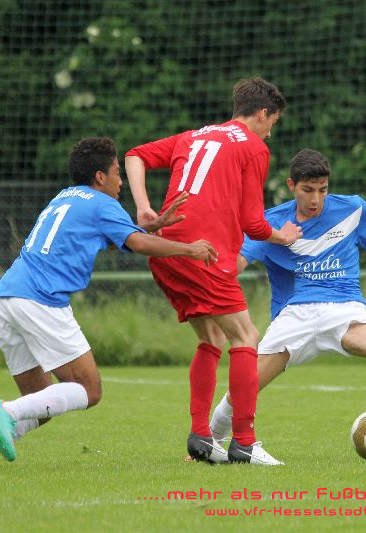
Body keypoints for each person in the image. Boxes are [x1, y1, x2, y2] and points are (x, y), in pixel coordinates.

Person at [0, 137, 218, 473]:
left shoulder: (65, 197)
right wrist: (190, 249)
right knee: (88, 390)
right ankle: (6, 410)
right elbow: (137, 244)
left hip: (5, 300)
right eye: (118, 172)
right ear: (100, 177)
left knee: (40, 402)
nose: (121, 181)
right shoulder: (102, 204)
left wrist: (154, 224)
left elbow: (115, 236)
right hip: (40, 301)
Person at [208, 149, 366, 447]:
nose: (316, 199)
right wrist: (208, 252)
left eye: (322, 190)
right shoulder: (271, 223)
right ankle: (210, 439)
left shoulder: (352, 209)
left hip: (345, 309)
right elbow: (236, 265)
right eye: (307, 190)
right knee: (245, 388)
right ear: (291, 185)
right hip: (295, 315)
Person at [124, 77, 302, 466]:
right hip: (202, 252)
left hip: (165, 249)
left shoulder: (193, 136)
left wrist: (143, 207)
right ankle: (245, 443)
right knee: (246, 336)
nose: (271, 132)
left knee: (212, 336)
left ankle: (201, 437)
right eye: (273, 123)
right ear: (262, 113)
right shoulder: (253, 146)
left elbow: (135, 155)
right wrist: (283, 236)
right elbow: (253, 223)